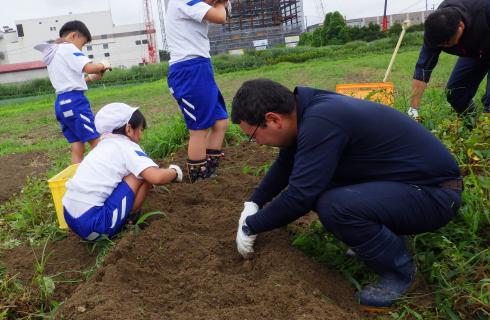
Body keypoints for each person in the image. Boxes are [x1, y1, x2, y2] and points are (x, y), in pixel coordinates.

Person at [232, 79, 462, 311]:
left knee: (334, 205)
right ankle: (381, 237)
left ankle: (401, 274)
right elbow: (287, 164)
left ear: (273, 120)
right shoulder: (306, 111)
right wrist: (254, 202)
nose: (258, 144)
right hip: (406, 186)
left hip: (435, 194)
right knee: (319, 181)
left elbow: (300, 196)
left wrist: (252, 226)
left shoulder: (321, 121)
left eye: (254, 136)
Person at [62, 103, 183, 241]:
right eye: (141, 130)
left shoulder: (101, 146)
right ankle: (128, 220)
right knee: (141, 175)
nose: (141, 135)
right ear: (129, 129)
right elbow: (157, 178)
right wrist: (174, 172)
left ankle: (120, 216)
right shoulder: (127, 147)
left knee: (129, 174)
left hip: (68, 216)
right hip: (95, 225)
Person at [165, 0, 232, 182]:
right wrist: (220, 2)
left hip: (200, 66)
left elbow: (222, 10)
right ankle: (200, 180)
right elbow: (220, 16)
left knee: (220, 122)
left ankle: (210, 172)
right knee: (199, 129)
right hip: (189, 69)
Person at [34, 20, 112, 164]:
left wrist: (91, 78)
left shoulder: (54, 52)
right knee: (95, 140)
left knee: (77, 145)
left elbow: (71, 80)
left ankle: (75, 178)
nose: (81, 49)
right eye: (82, 44)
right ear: (74, 36)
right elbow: (89, 67)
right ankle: (109, 172)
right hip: (75, 102)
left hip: (61, 104)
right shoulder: (68, 48)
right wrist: (103, 64)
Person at [408, 0, 490, 124]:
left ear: (461, 26)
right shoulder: (435, 31)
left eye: (449, 43)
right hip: (473, 53)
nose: (446, 47)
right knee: (456, 93)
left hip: (485, 39)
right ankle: (474, 125)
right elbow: (422, 69)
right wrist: (413, 109)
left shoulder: (484, 8)